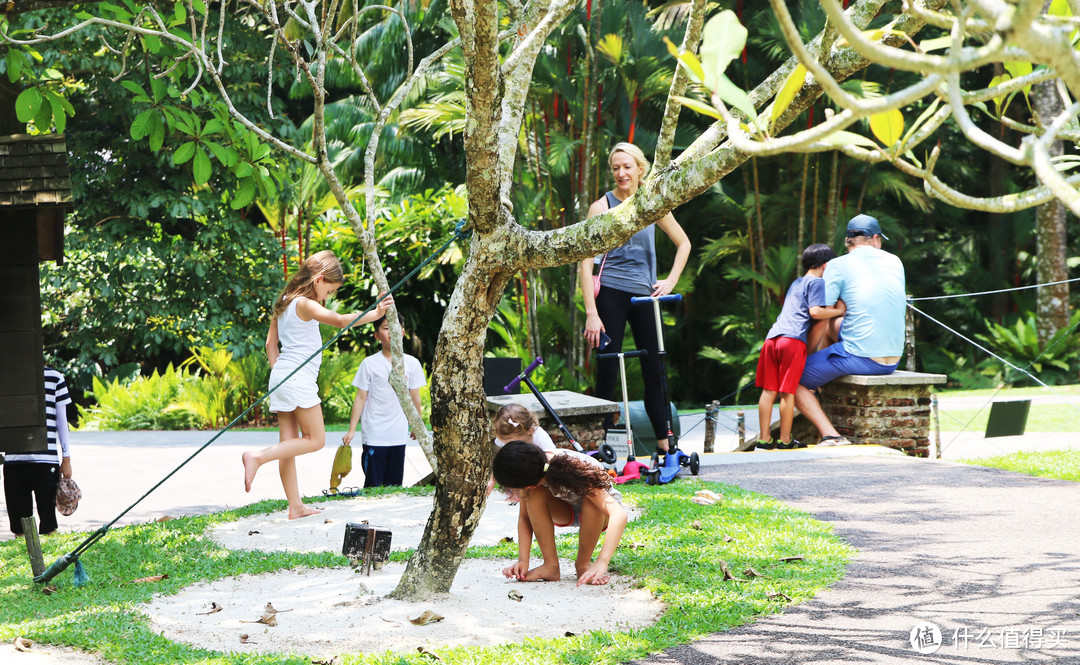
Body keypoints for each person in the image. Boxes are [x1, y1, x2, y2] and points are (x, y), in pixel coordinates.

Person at [242, 250, 392, 518]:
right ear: (318, 279)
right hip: (296, 379)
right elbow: (340, 321)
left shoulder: (285, 301)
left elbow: (270, 344)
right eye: (329, 291)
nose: (327, 297)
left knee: (288, 444)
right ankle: (258, 457)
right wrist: (376, 313)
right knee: (316, 440)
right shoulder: (305, 304)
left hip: (282, 376)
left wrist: (281, 372)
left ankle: (295, 506)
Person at [579, 142, 692, 453]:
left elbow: (684, 243)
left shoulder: (651, 203)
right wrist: (592, 312)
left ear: (641, 169)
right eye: (616, 167)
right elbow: (585, 262)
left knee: (655, 372)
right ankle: (598, 451)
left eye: (627, 166)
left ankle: (666, 446)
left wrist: (670, 281)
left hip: (644, 296)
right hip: (610, 295)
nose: (621, 173)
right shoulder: (601, 207)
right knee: (607, 372)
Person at [795, 214, 906, 446]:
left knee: (791, 379)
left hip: (863, 358)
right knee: (841, 316)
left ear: (848, 242)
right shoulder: (895, 261)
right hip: (893, 358)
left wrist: (807, 357)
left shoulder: (838, 264)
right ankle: (820, 372)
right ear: (875, 239)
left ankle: (831, 434)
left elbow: (822, 316)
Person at [751, 244, 846, 451]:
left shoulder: (797, 282)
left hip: (772, 339)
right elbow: (815, 312)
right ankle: (785, 440)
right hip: (792, 342)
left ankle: (764, 440)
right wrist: (839, 311)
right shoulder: (818, 283)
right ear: (826, 265)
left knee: (769, 391)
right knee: (787, 392)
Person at [494, 441, 628, 586]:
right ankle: (550, 566)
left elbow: (618, 514)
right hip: (566, 509)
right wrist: (523, 560)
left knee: (592, 502)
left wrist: (602, 561)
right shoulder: (532, 471)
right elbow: (525, 517)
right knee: (533, 495)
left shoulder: (574, 468)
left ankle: (583, 564)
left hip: (598, 514)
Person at [342, 313, 426, 488]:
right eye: (386, 328)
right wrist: (351, 430)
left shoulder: (412, 364)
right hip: (374, 435)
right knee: (373, 485)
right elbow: (361, 397)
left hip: (398, 435)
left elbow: (414, 397)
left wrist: (417, 425)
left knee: (394, 486)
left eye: (395, 328)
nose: (391, 332)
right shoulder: (369, 364)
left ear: (402, 332)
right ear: (377, 335)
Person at [3, 368, 72, 536]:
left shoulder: (54, 378)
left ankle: (52, 560)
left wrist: (66, 458)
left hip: (46, 460)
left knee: (49, 524)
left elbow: (62, 421)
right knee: (20, 527)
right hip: (14, 460)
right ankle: (24, 560)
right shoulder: (8, 377)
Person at [486, 403, 557, 495]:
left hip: (542, 475)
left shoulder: (539, 436)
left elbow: (552, 457)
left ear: (529, 431)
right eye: (504, 441)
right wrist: (492, 480)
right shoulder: (504, 439)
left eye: (512, 442)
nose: (509, 445)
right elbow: (501, 462)